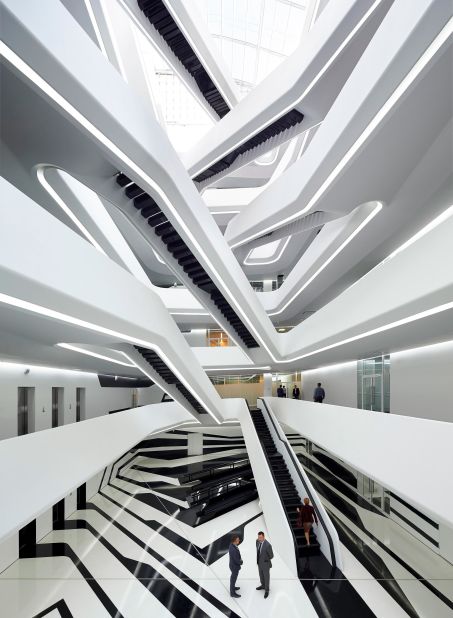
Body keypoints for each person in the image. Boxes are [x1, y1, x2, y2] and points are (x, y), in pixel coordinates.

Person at [256, 531, 274, 599]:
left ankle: (266, 590)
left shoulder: (268, 545)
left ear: (264, 537)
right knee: (261, 575)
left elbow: (271, 556)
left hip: (265, 564)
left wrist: (265, 559)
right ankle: (263, 585)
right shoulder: (257, 542)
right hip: (259, 563)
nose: (259, 539)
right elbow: (258, 551)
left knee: (266, 577)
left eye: (260, 537)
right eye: (258, 537)